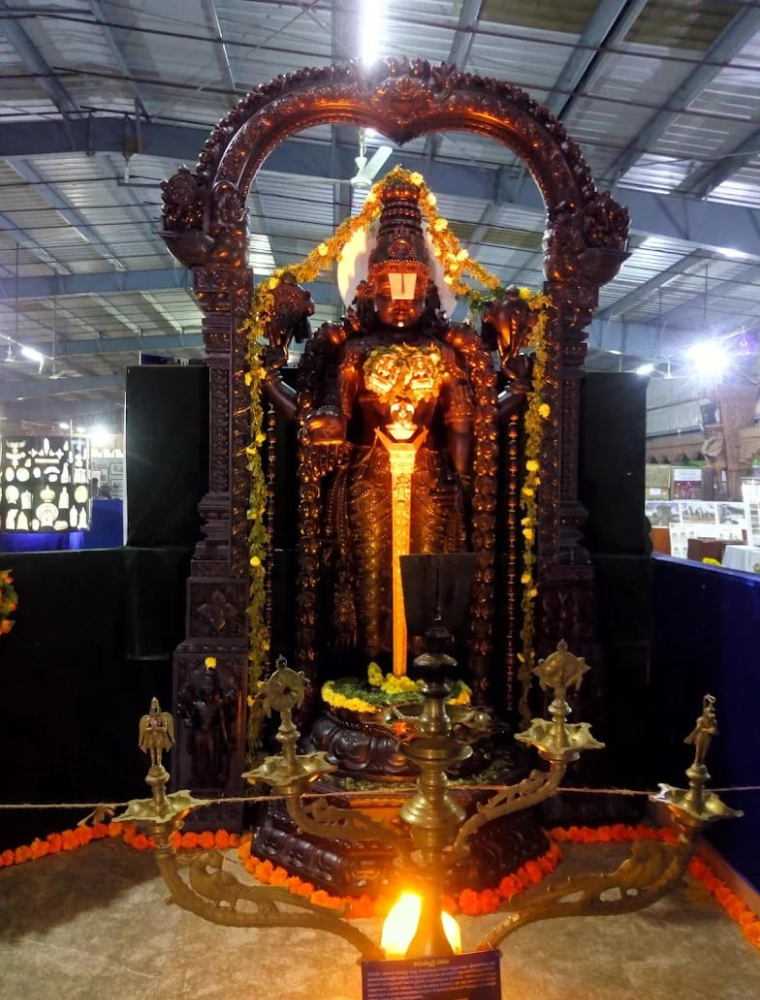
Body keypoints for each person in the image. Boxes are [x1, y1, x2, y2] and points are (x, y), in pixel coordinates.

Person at [261, 170, 531, 694]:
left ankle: (428, 672)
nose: (402, 299)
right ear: (370, 288)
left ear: (429, 289)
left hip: (431, 479)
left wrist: (467, 471)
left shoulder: (446, 354)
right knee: (367, 573)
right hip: (369, 478)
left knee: (429, 573)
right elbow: (329, 417)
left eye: (412, 286)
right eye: (391, 287)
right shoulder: (354, 352)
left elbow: (464, 425)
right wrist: (279, 388)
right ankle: (374, 665)